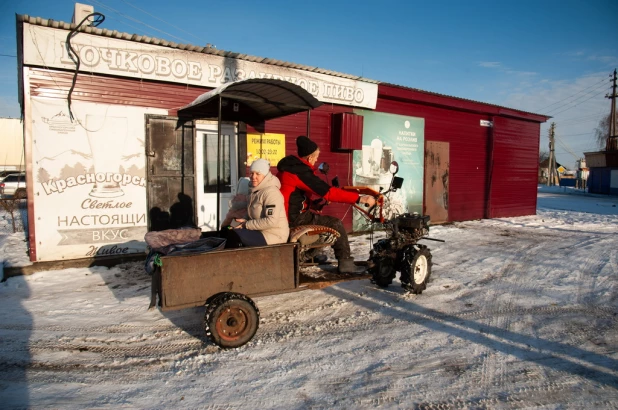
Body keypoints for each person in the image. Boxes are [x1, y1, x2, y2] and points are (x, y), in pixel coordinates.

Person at [277, 136, 376, 273]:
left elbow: (294, 196)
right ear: (310, 158)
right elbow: (328, 192)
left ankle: (311, 255)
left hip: (286, 214)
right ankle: (346, 263)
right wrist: (360, 199)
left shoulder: (290, 168)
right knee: (335, 224)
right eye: (316, 157)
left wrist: (312, 205)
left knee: (320, 220)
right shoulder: (300, 172)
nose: (317, 160)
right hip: (293, 218)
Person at [222, 159, 289, 248]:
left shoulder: (271, 193)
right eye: (251, 173)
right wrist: (243, 220)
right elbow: (252, 213)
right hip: (258, 231)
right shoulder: (254, 190)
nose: (253, 177)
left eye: (258, 174)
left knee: (235, 235)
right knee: (227, 229)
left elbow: (271, 221)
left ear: (265, 175)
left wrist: (246, 224)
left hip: (273, 235)